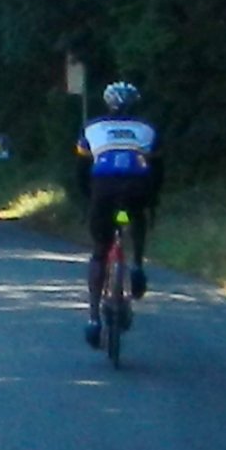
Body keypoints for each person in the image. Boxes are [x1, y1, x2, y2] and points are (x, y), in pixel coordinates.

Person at [72, 80, 162, 301]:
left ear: (107, 103)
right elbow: (158, 168)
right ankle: (137, 263)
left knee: (100, 249)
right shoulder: (148, 128)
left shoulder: (92, 127)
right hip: (136, 186)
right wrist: (153, 198)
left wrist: (87, 197)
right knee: (137, 215)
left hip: (103, 187)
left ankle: (94, 312)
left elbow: (82, 169)